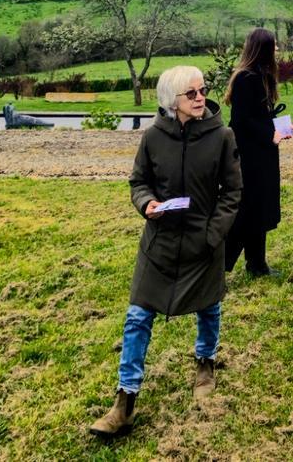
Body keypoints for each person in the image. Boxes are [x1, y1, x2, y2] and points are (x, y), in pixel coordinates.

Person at [90, 66, 242, 438]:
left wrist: (212, 234)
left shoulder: (222, 136)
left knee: (209, 307)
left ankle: (205, 363)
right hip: (158, 244)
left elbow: (233, 192)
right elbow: (138, 181)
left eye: (202, 90)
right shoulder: (153, 138)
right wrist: (147, 205)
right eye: (191, 94)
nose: (200, 97)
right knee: (138, 316)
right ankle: (125, 400)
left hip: (203, 243)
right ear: (171, 101)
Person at [224, 28, 290, 276]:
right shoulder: (245, 78)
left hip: (263, 154)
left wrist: (279, 127)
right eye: (273, 45)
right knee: (247, 212)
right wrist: (268, 133)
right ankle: (219, 267)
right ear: (262, 48)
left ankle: (257, 264)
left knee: (259, 208)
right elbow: (241, 121)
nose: (277, 49)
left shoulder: (261, 75)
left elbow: (259, 116)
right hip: (250, 157)